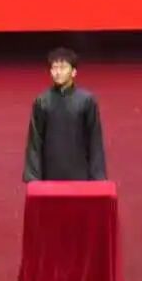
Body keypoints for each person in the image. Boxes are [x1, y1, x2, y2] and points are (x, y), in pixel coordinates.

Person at [22, 46, 107, 182]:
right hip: (50, 175)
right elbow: (35, 142)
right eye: (54, 68)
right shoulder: (42, 101)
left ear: (73, 72)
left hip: (80, 174)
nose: (58, 72)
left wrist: (98, 177)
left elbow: (94, 140)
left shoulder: (86, 101)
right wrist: (33, 179)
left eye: (63, 68)